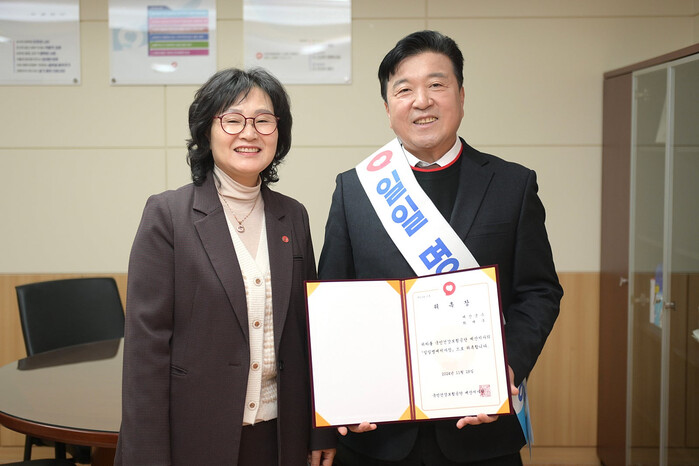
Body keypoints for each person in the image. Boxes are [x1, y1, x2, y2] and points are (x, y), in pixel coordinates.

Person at [318, 30, 563, 465]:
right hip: (377, 434)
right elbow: (333, 302)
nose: (422, 101)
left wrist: (506, 367)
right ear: (388, 108)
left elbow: (539, 291)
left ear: (462, 96)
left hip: (481, 433)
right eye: (404, 89)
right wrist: (342, 396)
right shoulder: (355, 189)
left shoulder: (512, 184)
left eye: (436, 84)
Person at [115, 67, 336, 465]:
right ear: (206, 132)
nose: (249, 133)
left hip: (281, 436)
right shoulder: (168, 215)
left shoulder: (293, 216)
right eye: (233, 120)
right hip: (194, 437)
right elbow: (145, 353)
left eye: (263, 120)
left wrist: (321, 428)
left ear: (279, 133)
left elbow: (310, 336)